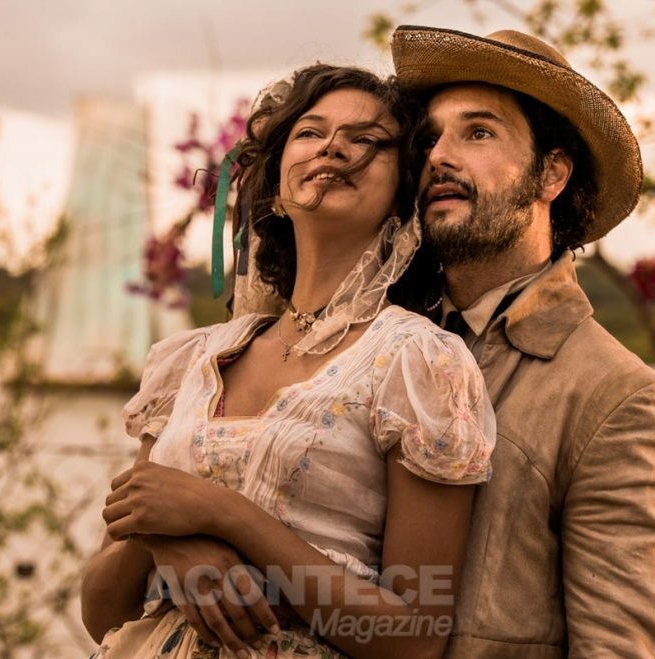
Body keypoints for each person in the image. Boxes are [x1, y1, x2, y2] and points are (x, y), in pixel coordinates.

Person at [82, 64, 496, 659]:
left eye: (367, 140)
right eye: (310, 132)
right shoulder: (189, 362)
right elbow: (101, 615)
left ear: (405, 189)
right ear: (275, 185)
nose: (334, 146)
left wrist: (222, 515)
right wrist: (163, 542)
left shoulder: (419, 363)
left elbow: (414, 637)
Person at [389, 26, 655, 657]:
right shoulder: (377, 340)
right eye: (430, 137)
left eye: (478, 132)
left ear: (552, 174)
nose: (438, 157)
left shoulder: (622, 401)